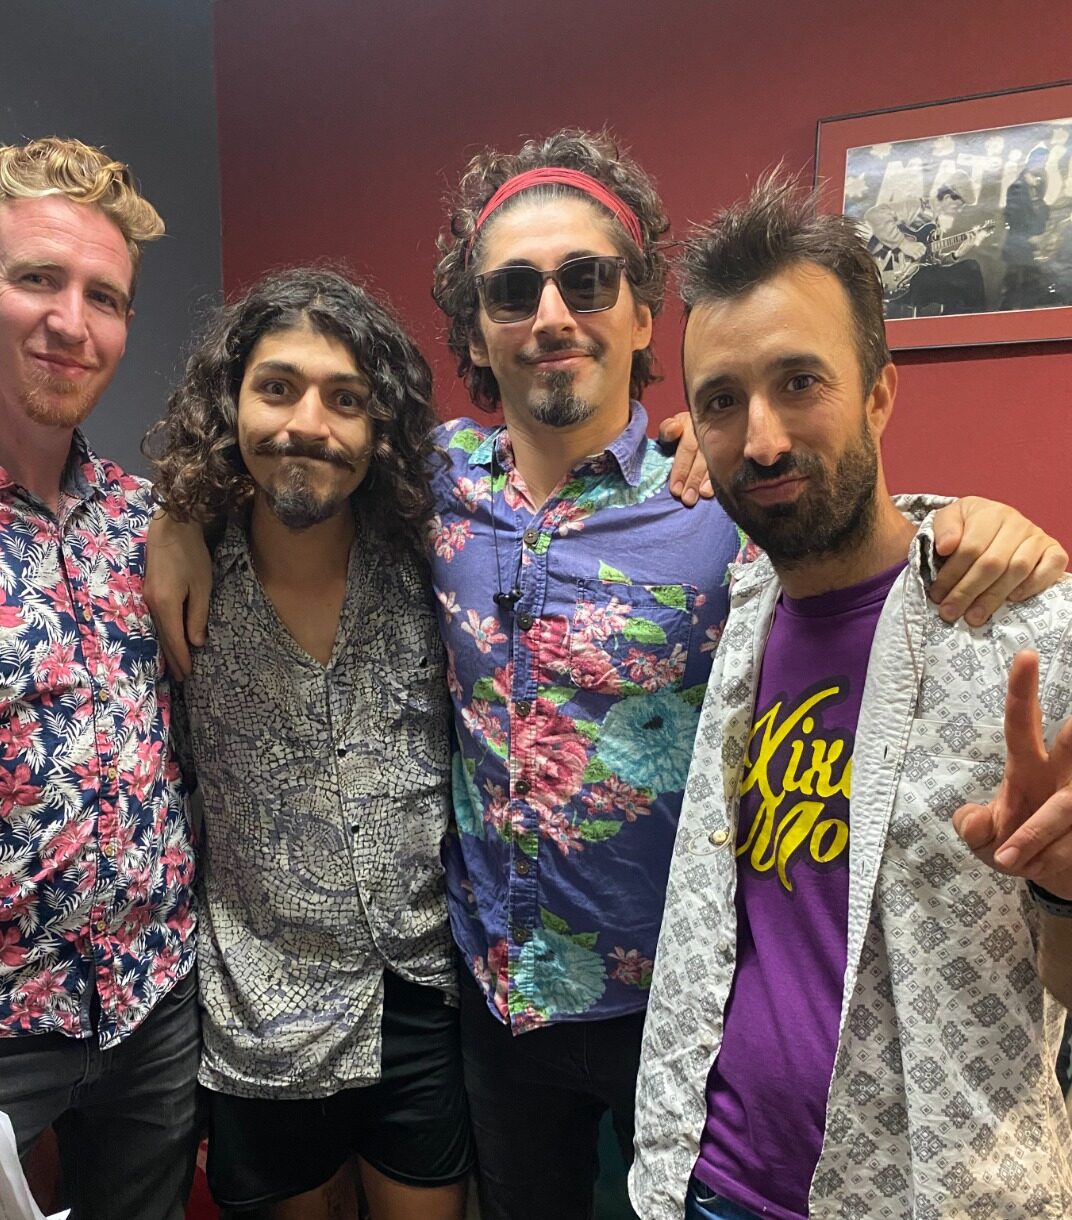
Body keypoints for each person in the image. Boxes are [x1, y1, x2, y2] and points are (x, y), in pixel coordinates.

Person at [144, 131, 1066, 1218]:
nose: (551, 315)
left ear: (639, 314)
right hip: (494, 1003)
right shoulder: (428, 486)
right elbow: (285, 457)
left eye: (586, 280)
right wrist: (179, 515)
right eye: (513, 290)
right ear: (477, 329)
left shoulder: (714, 493)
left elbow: (842, 523)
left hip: (684, 1008)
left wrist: (970, 523)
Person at [630, 171, 1072, 1220]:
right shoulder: (743, 605)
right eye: (723, 401)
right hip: (704, 1176)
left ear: (879, 394)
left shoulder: (1032, 635)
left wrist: (1063, 891)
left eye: (801, 382)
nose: (762, 439)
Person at [0, 138, 199, 1219]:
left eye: (103, 296)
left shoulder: (147, 522)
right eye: (38, 279)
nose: (71, 322)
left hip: (152, 1008)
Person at [142, 268, 472, 1220]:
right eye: (277, 387)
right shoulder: (170, 571)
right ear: (230, 404)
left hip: (418, 995)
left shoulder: (434, 558)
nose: (307, 424)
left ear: (381, 426)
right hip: (261, 1012)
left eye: (346, 399)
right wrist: (174, 515)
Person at [862, 172, 988, 317]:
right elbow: (874, 215)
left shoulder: (936, 226)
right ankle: (974, 321)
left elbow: (930, 261)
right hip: (894, 280)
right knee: (969, 270)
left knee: (966, 274)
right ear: (947, 198)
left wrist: (956, 254)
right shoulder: (915, 207)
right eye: (958, 206)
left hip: (916, 279)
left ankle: (957, 323)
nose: (959, 211)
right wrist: (903, 243)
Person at [1000, 149, 1053, 311]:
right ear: (1031, 160)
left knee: (1028, 285)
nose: (1041, 164)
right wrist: (1031, 236)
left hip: (1031, 241)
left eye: (1044, 161)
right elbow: (1014, 216)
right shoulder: (1016, 187)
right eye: (1039, 160)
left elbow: (1041, 207)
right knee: (1017, 284)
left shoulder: (1038, 184)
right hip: (1019, 242)